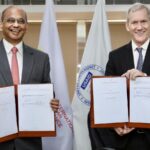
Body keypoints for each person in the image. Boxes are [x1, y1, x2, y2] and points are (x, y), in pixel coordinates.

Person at [88, 2, 150, 150]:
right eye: (134, 22)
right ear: (127, 26)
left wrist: (145, 78)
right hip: (124, 138)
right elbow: (106, 99)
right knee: (91, 112)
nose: (139, 27)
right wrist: (114, 124)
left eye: (144, 21)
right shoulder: (115, 56)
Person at [0, 5, 59, 150]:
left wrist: (52, 102)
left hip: (30, 143)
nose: (16, 25)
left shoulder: (41, 58)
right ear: (1, 25)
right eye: (10, 20)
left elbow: (47, 92)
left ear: (26, 26)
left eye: (21, 21)